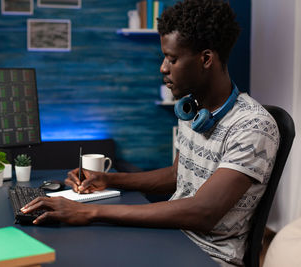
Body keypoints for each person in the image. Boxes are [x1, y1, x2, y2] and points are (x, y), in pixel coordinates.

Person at [21, 0, 279, 266]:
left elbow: (205, 211)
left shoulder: (253, 126)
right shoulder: (193, 111)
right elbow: (176, 175)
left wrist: (90, 211)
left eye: (172, 58)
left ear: (205, 59)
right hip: (172, 237)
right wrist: (107, 180)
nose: (163, 68)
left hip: (208, 257)